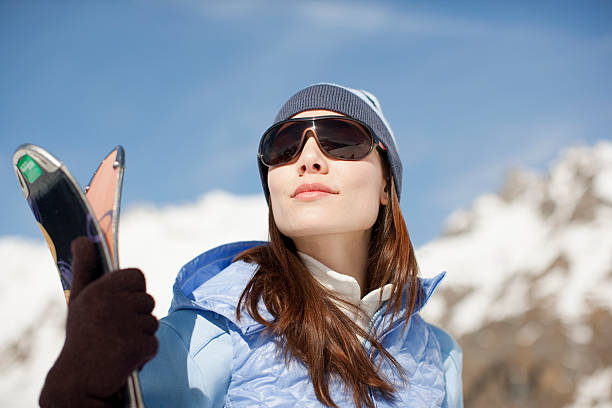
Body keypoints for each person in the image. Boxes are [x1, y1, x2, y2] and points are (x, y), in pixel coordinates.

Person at [39, 83, 463, 408]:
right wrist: (88, 385)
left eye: (341, 138)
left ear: (387, 184)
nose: (308, 158)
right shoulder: (221, 324)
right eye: (283, 147)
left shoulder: (438, 355)